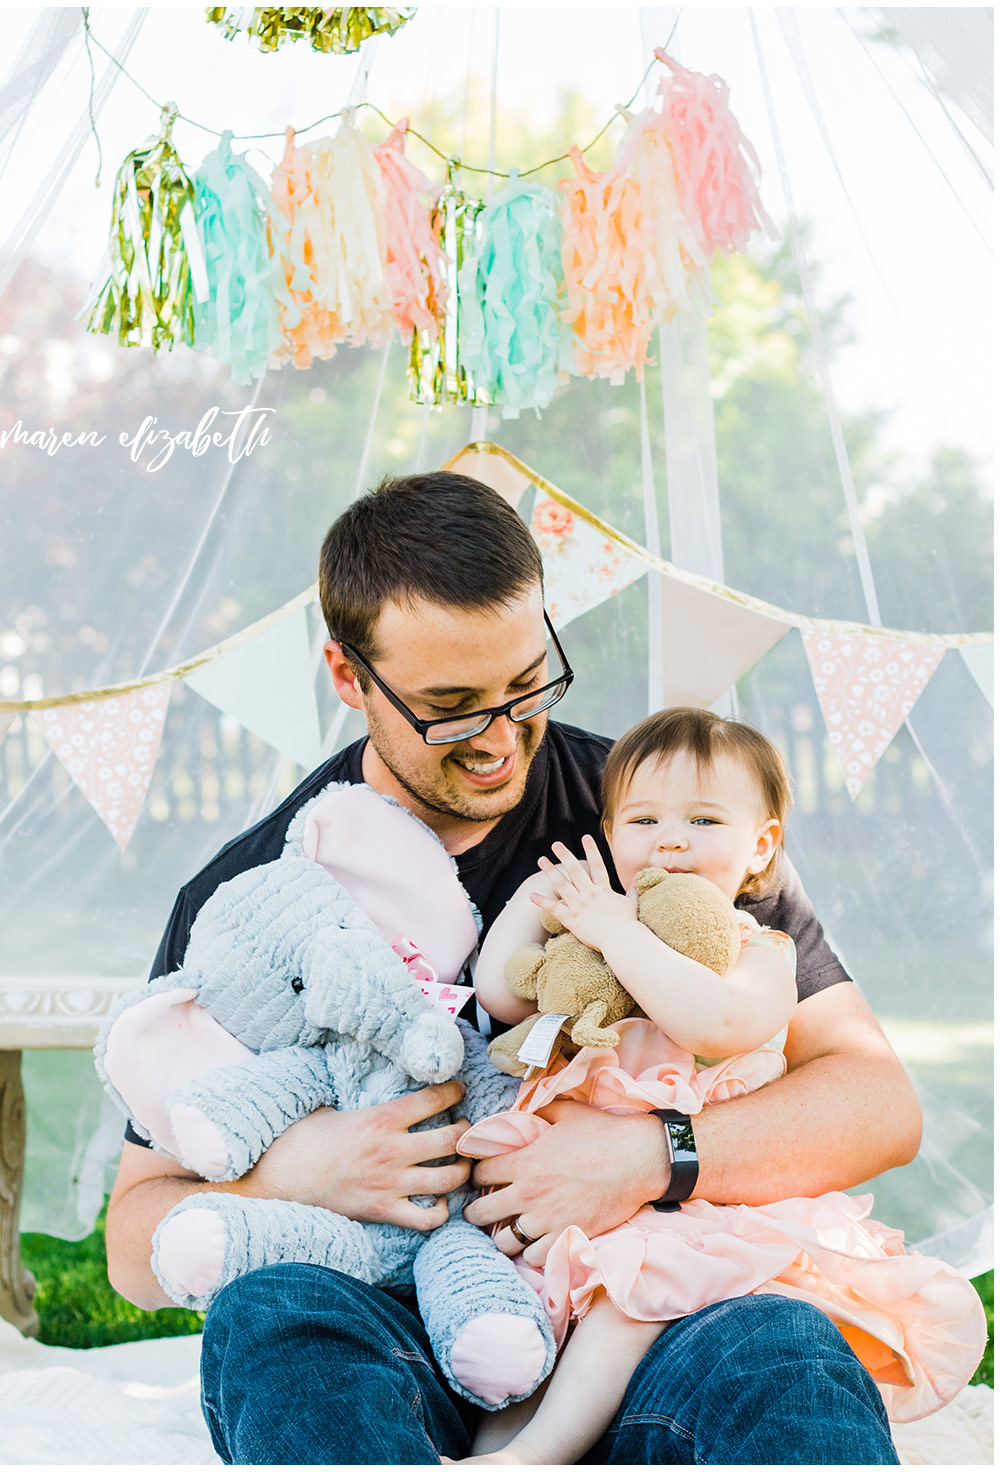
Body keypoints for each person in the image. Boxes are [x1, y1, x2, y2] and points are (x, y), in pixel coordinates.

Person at [105, 471, 920, 1465]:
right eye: (451, 707)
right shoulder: (254, 893)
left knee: (785, 1350)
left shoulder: (660, 816)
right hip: (390, 1317)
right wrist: (298, 1170)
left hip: (651, 1314)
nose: (500, 737)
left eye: (527, 682)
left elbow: (877, 1102)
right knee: (271, 1317)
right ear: (347, 674)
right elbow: (131, 1238)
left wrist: (651, 1152)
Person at [448, 707, 984, 1465]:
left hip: (684, 1207)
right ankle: (493, 1449)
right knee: (539, 1317)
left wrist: (614, 931)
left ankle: (535, 1456)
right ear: (610, 836)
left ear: (761, 846)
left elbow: (714, 1025)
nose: (670, 839)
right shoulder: (595, 931)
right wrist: (540, 907)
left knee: (625, 1305)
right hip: (570, 1194)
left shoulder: (752, 947)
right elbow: (502, 994)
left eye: (703, 819)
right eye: (642, 820)